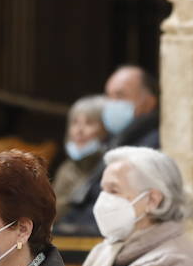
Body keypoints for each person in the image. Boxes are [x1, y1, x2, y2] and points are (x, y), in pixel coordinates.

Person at [56, 65, 161, 235]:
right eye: (108, 96)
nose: (111, 104)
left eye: (120, 96)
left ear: (148, 102)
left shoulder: (149, 146)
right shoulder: (119, 141)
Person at [51, 95, 107, 207]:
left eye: (89, 123)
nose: (79, 130)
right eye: (75, 122)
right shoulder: (66, 169)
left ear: (105, 128)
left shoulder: (110, 169)